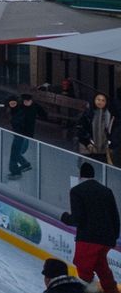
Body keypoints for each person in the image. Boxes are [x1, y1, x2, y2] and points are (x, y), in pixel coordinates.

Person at [60, 162, 120, 291]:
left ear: (80, 176)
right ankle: (112, 290)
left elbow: (77, 219)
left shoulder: (77, 191)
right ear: (93, 175)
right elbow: (115, 215)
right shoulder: (106, 191)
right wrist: (114, 237)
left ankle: (88, 291)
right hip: (107, 239)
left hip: (89, 239)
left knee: (83, 268)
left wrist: (64, 217)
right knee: (101, 267)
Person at [6, 94, 45, 179]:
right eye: (25, 101)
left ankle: (21, 168)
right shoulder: (18, 108)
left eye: (28, 101)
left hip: (23, 135)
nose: (26, 103)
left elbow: (43, 114)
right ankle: (20, 169)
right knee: (15, 153)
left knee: (15, 153)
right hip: (19, 134)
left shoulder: (28, 109)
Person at [76, 93, 119, 163]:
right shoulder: (88, 114)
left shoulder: (110, 115)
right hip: (89, 148)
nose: (100, 102)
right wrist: (88, 143)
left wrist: (110, 145)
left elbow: (113, 132)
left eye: (103, 100)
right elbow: (80, 129)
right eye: (98, 100)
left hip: (104, 150)